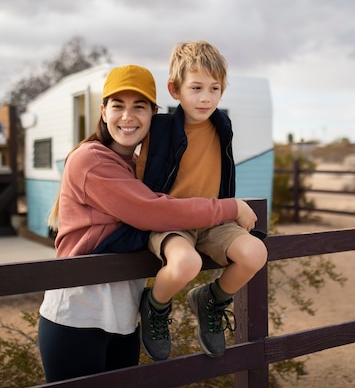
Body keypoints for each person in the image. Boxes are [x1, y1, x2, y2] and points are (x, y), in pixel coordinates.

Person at [37, 64, 259, 382]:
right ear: (103, 111)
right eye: (118, 106)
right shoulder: (91, 159)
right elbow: (152, 212)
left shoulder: (142, 167)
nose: (127, 117)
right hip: (78, 317)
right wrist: (229, 207)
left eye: (138, 107)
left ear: (153, 114)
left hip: (124, 318)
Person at [135, 41, 268, 361]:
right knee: (185, 263)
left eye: (214, 88)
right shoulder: (159, 128)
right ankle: (155, 306)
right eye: (196, 87)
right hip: (172, 222)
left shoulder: (223, 126)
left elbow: (222, 171)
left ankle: (211, 299)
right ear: (175, 89)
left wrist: (231, 208)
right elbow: (138, 176)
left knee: (255, 253)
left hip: (213, 221)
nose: (206, 97)